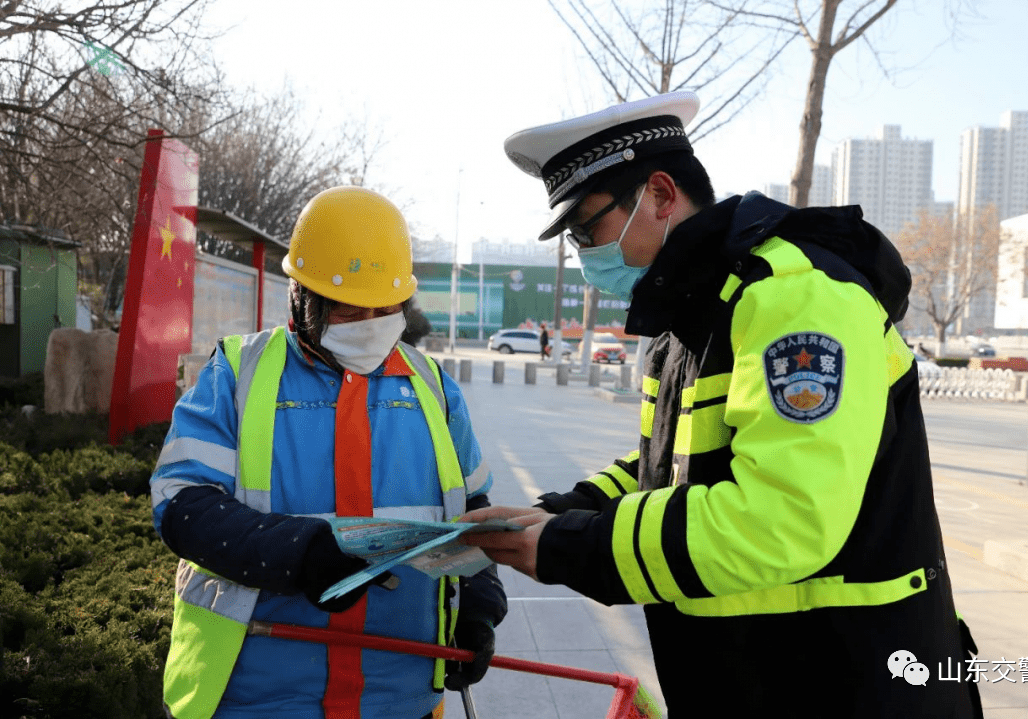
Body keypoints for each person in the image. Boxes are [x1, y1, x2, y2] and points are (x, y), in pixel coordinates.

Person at [464, 92, 981, 717]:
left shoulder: (793, 297)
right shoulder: (694, 316)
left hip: (850, 682)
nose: (583, 256)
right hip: (761, 679)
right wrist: (558, 512)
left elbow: (782, 518)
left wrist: (573, 546)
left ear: (658, 195)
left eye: (587, 228)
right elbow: (669, 464)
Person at [151, 186, 506, 719]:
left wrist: (478, 605)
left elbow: (474, 509)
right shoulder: (235, 374)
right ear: (301, 296)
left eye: (384, 309)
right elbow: (181, 504)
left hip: (403, 697)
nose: (369, 324)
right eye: (348, 309)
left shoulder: (433, 386)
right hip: (258, 697)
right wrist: (298, 553)